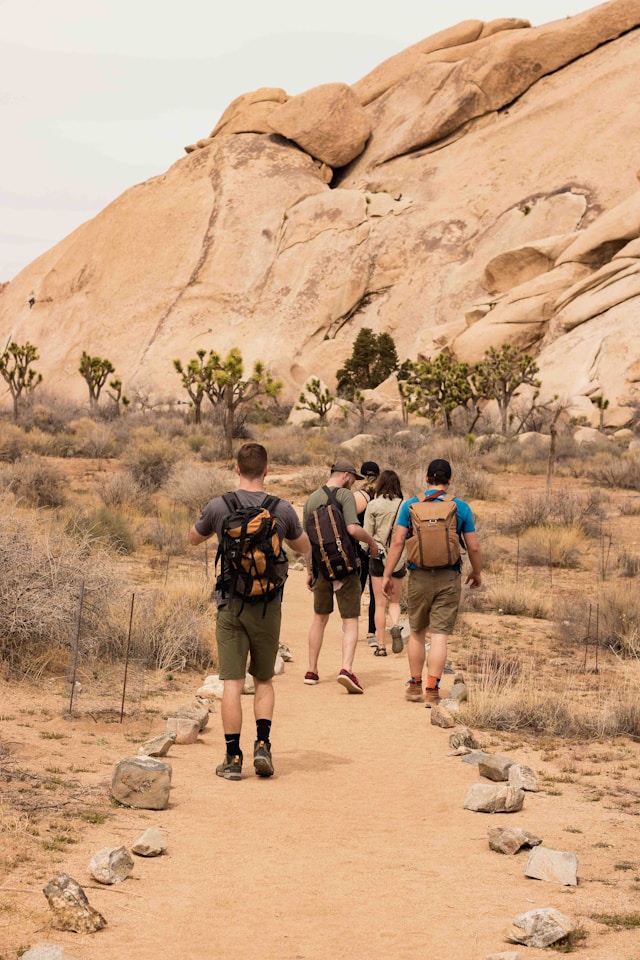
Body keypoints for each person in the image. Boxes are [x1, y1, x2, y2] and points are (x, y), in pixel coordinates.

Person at [189, 442, 310, 780]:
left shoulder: (219, 506)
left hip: (230, 604)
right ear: (267, 470)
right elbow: (302, 546)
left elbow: (192, 539)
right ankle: (263, 745)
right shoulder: (281, 509)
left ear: (237, 469)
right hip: (268, 606)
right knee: (264, 679)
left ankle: (231, 757)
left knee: (232, 683)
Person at [382, 458, 482, 706]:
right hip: (449, 576)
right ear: (449, 481)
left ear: (426, 479)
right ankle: (432, 690)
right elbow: (473, 546)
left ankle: (414, 686)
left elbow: (397, 543)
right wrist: (476, 572)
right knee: (439, 636)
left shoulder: (410, 505)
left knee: (416, 632)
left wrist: (387, 573)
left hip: (418, 575)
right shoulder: (461, 507)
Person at [303, 460, 378, 693]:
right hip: (345, 566)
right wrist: (372, 543)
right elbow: (353, 529)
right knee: (351, 620)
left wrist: (309, 571)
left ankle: (312, 671)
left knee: (319, 618)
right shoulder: (345, 495)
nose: (354, 481)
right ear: (345, 476)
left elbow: (306, 542)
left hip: (320, 567)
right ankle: (346, 669)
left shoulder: (311, 499)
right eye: (353, 478)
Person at [363, 469, 407, 656]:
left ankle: (381, 646)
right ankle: (396, 625)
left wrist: (366, 551)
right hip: (398, 559)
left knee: (379, 604)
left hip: (378, 558)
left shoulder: (373, 505)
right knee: (394, 601)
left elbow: (366, 534)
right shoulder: (405, 505)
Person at [354, 461, 380, 647]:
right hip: (378, 548)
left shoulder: (357, 497)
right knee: (375, 592)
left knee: (358, 587)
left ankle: (352, 627)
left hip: (359, 548)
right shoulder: (382, 498)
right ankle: (372, 631)